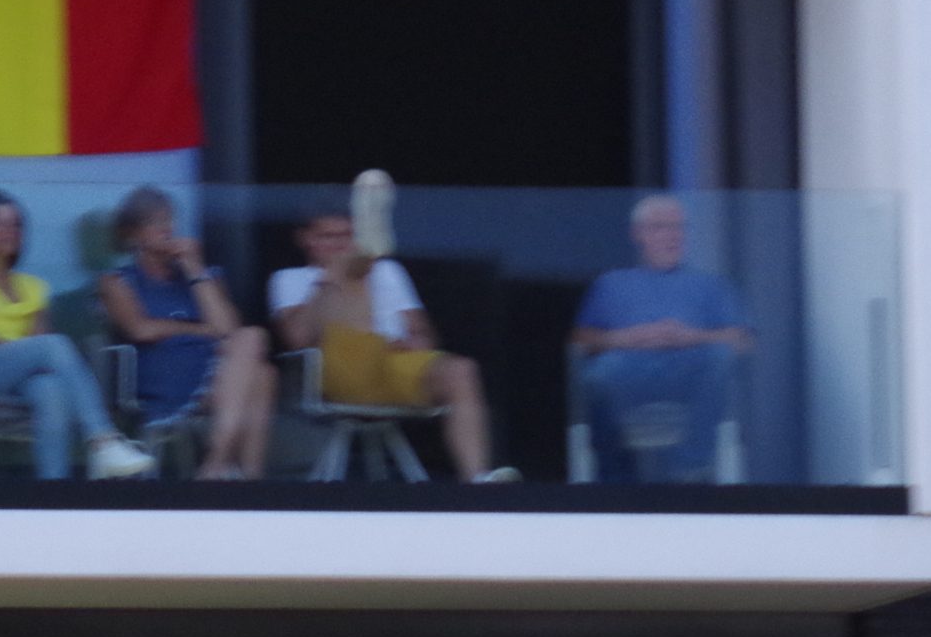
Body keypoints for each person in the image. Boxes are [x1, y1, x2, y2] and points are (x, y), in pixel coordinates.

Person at [269, 203, 518, 483]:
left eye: (347, 235)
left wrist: (415, 342)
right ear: (305, 239)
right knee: (351, 326)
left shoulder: (387, 271)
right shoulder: (289, 279)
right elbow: (296, 339)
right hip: (339, 371)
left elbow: (423, 334)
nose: (340, 244)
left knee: (461, 369)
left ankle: (477, 479)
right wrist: (332, 277)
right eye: (329, 236)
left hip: (394, 363)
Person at [0, 190, 155, 480]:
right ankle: (104, 442)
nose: (8, 231)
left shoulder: (33, 286)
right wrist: (18, 354)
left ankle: (53, 490)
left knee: (50, 390)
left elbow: (40, 345)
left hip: (15, 378)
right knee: (53, 346)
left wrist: (24, 357)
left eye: (15, 224)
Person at [97, 186, 276, 479]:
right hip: (166, 380)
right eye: (154, 223)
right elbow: (141, 329)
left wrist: (194, 269)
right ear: (133, 234)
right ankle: (225, 467)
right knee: (257, 354)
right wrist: (203, 329)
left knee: (261, 366)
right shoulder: (117, 281)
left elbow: (229, 330)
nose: (166, 229)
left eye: (169, 220)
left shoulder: (205, 276)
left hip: (217, 376)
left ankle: (231, 470)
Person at [572, 195, 751, 483]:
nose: (672, 235)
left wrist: (690, 336)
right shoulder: (613, 284)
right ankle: (615, 480)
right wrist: (631, 337)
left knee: (718, 358)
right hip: (629, 377)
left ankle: (690, 470)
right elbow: (582, 340)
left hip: (687, 378)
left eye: (678, 227)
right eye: (660, 227)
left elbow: (742, 340)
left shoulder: (710, 284)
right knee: (599, 375)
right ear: (638, 234)